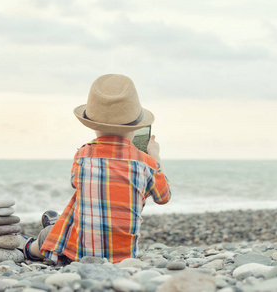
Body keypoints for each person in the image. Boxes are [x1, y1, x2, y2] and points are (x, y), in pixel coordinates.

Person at [19, 74, 171, 264]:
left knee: (80, 200)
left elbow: (75, 183)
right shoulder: (146, 162)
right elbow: (164, 196)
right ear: (135, 129)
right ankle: (53, 227)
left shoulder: (83, 155)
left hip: (80, 254)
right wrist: (154, 156)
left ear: (94, 126)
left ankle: (33, 247)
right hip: (124, 258)